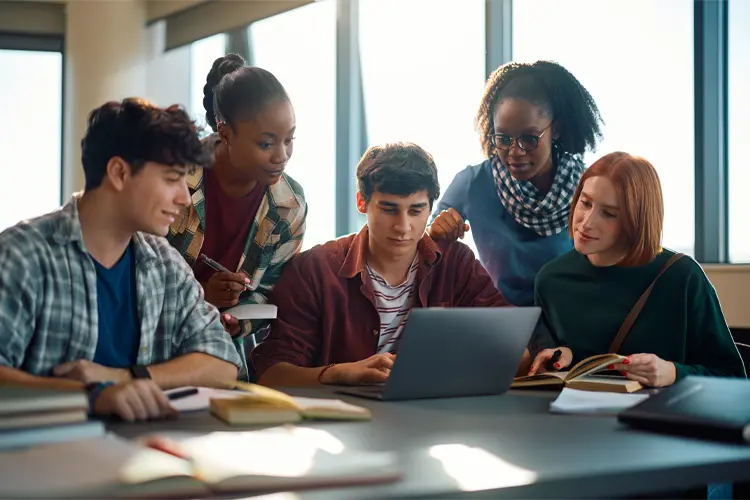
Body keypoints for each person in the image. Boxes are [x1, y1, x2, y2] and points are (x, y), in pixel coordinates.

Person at [0, 98, 242, 421]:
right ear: (119, 173)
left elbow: (223, 361)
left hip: (148, 453)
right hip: (45, 458)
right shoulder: (23, 256)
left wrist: (125, 377)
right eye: (172, 179)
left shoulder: (167, 266)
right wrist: (92, 396)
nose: (185, 197)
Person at [253, 142, 528, 387]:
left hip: (436, 421)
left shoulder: (456, 263)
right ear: (362, 202)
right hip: (344, 425)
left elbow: (516, 350)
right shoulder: (314, 270)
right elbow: (272, 374)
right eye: (389, 209)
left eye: (416, 210)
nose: (403, 227)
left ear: (430, 208)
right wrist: (340, 373)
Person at [528, 152, 745, 386]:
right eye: (585, 202)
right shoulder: (551, 279)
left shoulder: (682, 276)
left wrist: (673, 373)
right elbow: (556, 366)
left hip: (661, 419)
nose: (587, 222)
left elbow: (733, 377)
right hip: (572, 418)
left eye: (609, 214)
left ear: (637, 220)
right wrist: (557, 358)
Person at [166, 54, 306, 378]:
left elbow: (271, 291)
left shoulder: (290, 206)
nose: (281, 156)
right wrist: (201, 294)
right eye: (267, 143)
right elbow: (132, 275)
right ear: (225, 131)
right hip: (156, 349)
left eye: (289, 140)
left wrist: (239, 319)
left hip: (226, 363)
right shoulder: (172, 178)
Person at [429, 60, 603, 307]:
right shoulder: (472, 183)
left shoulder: (588, 188)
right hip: (500, 326)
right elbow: (423, 246)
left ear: (556, 130)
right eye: (503, 138)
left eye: (529, 138)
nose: (515, 151)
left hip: (573, 325)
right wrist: (436, 232)